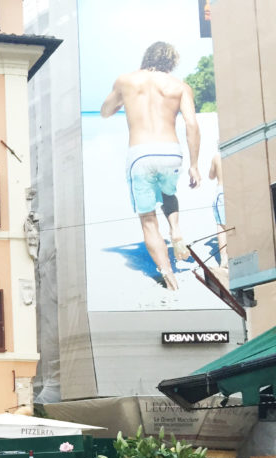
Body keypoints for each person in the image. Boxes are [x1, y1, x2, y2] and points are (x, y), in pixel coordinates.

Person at [101, 41, 200, 292]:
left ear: (147, 57)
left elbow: (104, 111)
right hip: (171, 153)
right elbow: (191, 125)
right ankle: (176, 230)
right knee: (168, 193)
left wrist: (123, 101)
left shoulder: (126, 81)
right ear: (172, 62)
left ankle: (169, 278)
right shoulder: (180, 86)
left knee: (147, 219)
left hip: (140, 153)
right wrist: (195, 165)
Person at [208, 152, 227, 271]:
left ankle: (224, 257)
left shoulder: (217, 156)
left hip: (222, 191)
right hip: (236, 188)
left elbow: (211, 175)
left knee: (221, 225)